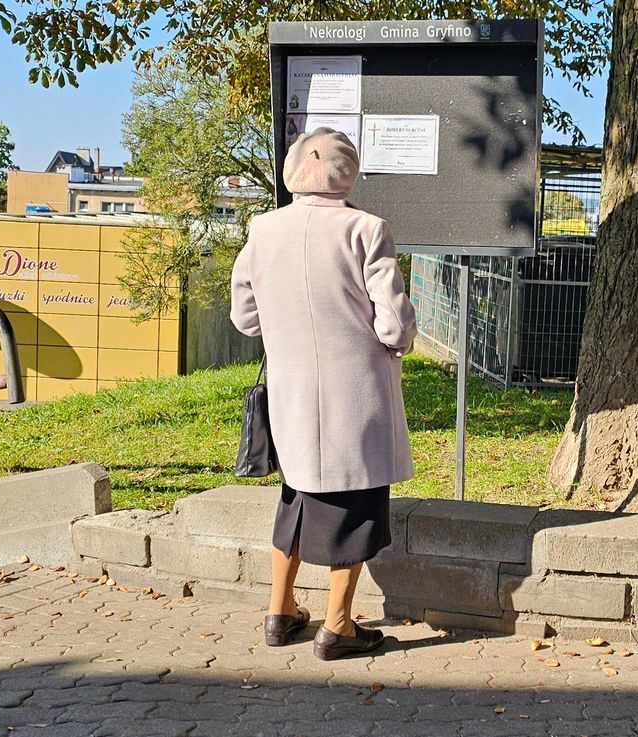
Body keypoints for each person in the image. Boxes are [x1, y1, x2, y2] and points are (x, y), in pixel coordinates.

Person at [229, 128, 417, 661]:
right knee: (355, 501)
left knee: (296, 496)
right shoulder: (366, 228)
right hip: (355, 393)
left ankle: (280, 610)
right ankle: (338, 626)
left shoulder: (262, 229)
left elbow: (245, 318)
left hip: (291, 390)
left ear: (294, 170)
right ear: (348, 172)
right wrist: (400, 342)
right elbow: (393, 321)